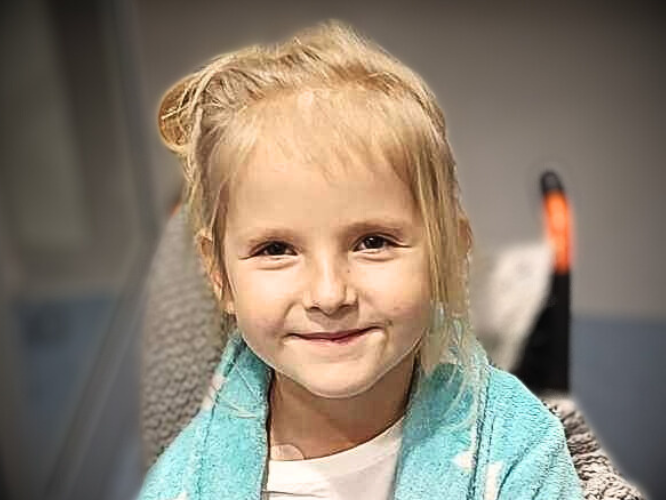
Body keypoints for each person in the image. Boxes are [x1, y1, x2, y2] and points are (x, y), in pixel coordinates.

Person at [138, 20, 582, 500]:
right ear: (219, 275)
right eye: (276, 249)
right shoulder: (181, 484)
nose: (329, 295)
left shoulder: (519, 452)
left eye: (372, 242)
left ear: (450, 253)